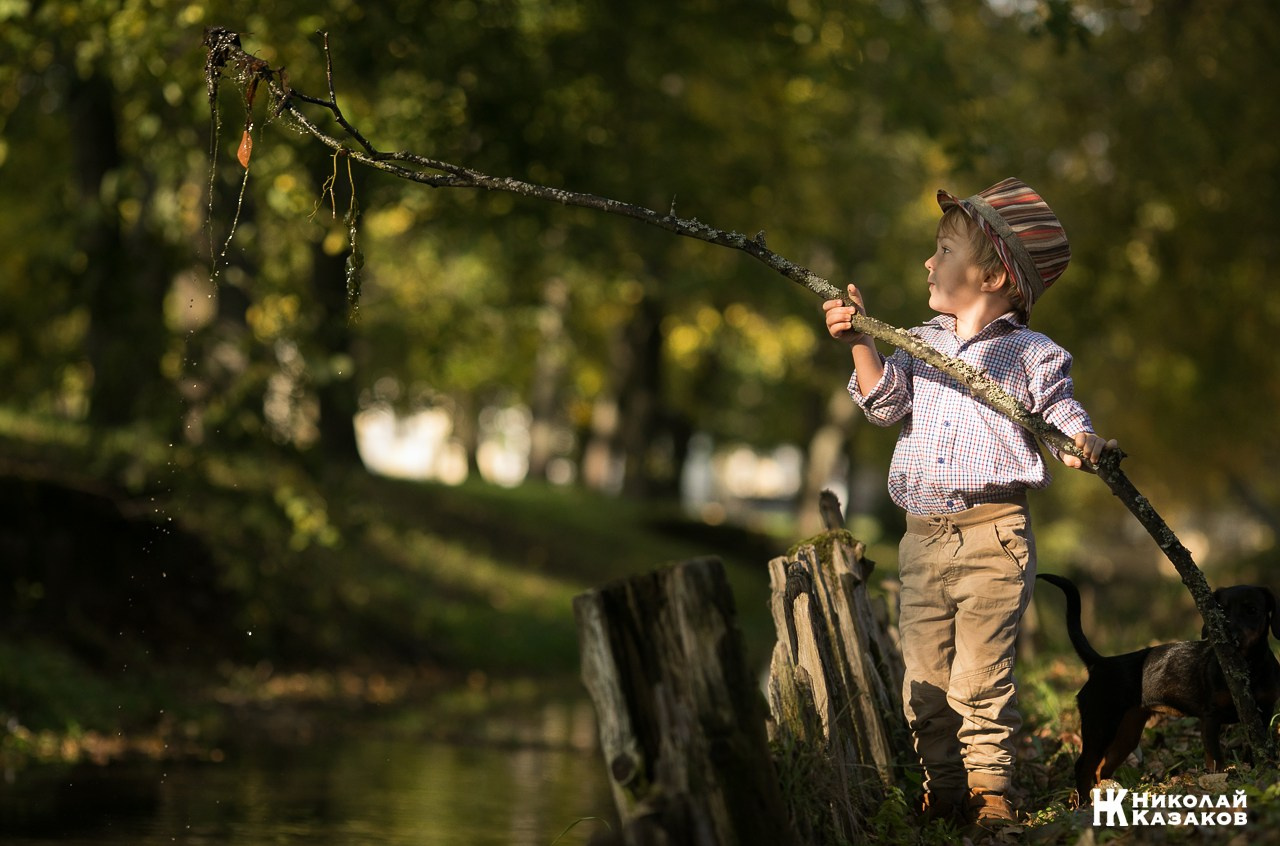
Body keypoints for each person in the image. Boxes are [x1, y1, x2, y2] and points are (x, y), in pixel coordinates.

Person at [822, 177, 1116, 830]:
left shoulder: (1031, 355)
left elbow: (1061, 412)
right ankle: (944, 791)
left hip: (994, 539)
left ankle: (991, 798)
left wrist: (1081, 442)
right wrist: (860, 342)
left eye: (945, 249)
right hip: (923, 538)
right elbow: (884, 404)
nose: (929, 262)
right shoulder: (921, 346)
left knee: (980, 681)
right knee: (923, 683)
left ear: (993, 276)